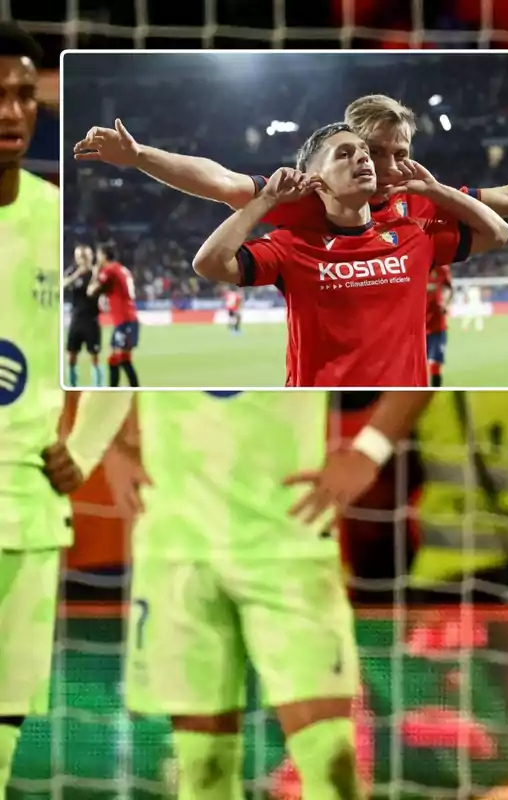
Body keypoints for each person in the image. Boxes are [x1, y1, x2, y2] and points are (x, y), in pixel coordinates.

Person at [65, 388, 433, 800]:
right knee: (203, 772)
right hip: (177, 545)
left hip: (289, 545)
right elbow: (91, 338)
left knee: (332, 766)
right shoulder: (149, 320)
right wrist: (110, 444)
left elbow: (427, 336)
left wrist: (369, 452)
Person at [0, 22, 128, 795]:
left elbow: (123, 356)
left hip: (27, 510)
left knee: (5, 735)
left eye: (23, 95)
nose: (12, 111)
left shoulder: (64, 225)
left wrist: (84, 444)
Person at [191, 123, 508, 387]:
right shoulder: (291, 245)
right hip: (318, 406)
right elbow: (209, 263)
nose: (364, 159)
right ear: (315, 180)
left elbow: (498, 232)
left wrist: (436, 189)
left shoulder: (415, 234)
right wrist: (266, 200)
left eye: (365, 152)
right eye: (344, 154)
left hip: (394, 406)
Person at [70, 93, 508, 236]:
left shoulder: (421, 197)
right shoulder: (301, 195)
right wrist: (140, 155)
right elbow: (219, 180)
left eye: (402, 153)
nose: (392, 165)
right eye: (377, 152)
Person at [88, 244, 140, 387]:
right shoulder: (122, 269)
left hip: (125, 321)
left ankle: (126, 390)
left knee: (120, 359)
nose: (97, 258)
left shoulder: (109, 270)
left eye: (98, 255)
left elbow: (91, 291)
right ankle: (117, 390)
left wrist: (95, 273)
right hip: (127, 319)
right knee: (117, 359)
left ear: (104, 256)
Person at [63, 244, 104, 387]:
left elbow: (94, 292)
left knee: (94, 356)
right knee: (71, 356)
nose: (83, 259)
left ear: (90, 257)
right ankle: (72, 386)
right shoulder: (73, 272)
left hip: (91, 320)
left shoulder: (96, 273)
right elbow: (62, 284)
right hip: (76, 319)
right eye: (80, 256)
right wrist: (76, 275)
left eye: (85, 256)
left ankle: (98, 387)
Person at [425, 262, 452, 387]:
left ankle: (435, 392)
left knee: (435, 364)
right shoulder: (411, 265)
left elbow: (448, 287)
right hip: (415, 328)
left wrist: (445, 303)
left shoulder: (442, 268)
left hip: (437, 326)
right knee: (413, 367)